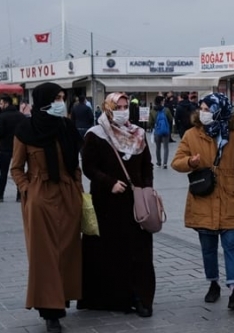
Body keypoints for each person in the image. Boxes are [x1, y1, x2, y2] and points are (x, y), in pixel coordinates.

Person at [11, 82, 83, 333]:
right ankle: (50, 312)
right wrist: (28, 189)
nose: (61, 102)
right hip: (41, 199)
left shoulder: (67, 127)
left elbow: (74, 163)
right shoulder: (26, 130)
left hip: (67, 197)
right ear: (43, 101)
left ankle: (60, 299)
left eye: (63, 97)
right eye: (56, 98)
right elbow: (16, 168)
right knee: (45, 257)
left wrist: (77, 189)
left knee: (65, 252)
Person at [171, 93, 234, 310]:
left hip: (231, 197)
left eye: (207, 108)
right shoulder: (191, 134)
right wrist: (190, 161)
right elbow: (176, 162)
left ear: (220, 109)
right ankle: (213, 283)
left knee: (232, 244)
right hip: (204, 197)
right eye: (202, 108)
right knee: (208, 247)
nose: (203, 112)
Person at [78, 92, 155, 318]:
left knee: (138, 253)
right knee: (109, 252)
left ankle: (140, 297)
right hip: (107, 204)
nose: (122, 111)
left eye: (124, 106)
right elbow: (89, 167)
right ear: (107, 108)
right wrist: (109, 182)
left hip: (135, 204)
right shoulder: (96, 135)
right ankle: (109, 298)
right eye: (117, 106)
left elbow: (147, 165)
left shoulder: (138, 134)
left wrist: (147, 188)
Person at [0, 95, 26, 202]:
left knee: (3, 173)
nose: (0, 106)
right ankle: (19, 195)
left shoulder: (2, 117)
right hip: (19, 148)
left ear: (6, 103)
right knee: (19, 171)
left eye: (1, 103)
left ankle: (1, 195)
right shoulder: (21, 116)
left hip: (4, 148)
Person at [148, 96, 174, 169]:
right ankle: (165, 163)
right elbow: (171, 119)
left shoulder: (152, 110)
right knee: (166, 147)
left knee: (158, 147)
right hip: (166, 131)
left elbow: (150, 123)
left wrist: (154, 126)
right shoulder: (166, 110)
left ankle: (159, 162)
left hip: (157, 131)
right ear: (161, 101)